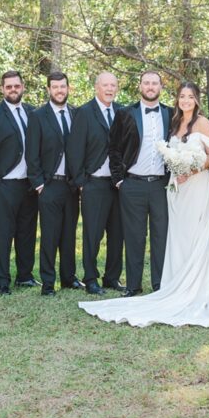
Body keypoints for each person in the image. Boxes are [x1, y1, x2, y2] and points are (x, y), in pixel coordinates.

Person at [79, 83, 209, 327]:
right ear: (177, 100)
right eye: (182, 96)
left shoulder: (203, 123)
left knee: (197, 236)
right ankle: (175, 284)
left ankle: (199, 288)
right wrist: (178, 171)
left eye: (190, 96)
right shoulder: (174, 122)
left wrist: (193, 169)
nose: (186, 100)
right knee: (177, 237)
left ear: (197, 100)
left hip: (197, 187)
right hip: (176, 190)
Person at [109, 71, 172, 297]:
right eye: (146, 82)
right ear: (140, 86)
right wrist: (119, 181)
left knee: (161, 236)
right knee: (134, 237)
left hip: (161, 186)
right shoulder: (125, 113)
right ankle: (133, 285)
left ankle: (159, 285)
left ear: (160, 87)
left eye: (154, 83)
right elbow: (114, 148)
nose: (150, 86)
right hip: (132, 185)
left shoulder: (170, 114)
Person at [0, 70, 39, 295]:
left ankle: (25, 276)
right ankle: (2, 279)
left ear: (23, 87)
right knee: (4, 233)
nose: (13, 90)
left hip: (28, 185)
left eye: (16, 86)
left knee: (27, 232)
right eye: (9, 87)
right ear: (2, 89)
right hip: (5, 185)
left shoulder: (33, 112)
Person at [66, 72, 124, 295]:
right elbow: (74, 149)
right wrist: (81, 182)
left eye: (113, 85)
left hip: (117, 184)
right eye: (105, 85)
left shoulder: (121, 111)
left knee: (117, 234)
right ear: (96, 87)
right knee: (93, 234)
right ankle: (90, 278)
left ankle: (112, 277)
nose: (109, 89)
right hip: (94, 184)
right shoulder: (84, 112)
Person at [27, 71, 83, 296]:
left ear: (68, 88)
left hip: (71, 186)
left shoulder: (76, 114)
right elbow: (31, 155)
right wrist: (39, 184)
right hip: (49, 185)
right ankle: (48, 283)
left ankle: (69, 279)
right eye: (55, 87)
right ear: (49, 90)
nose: (60, 90)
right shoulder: (38, 116)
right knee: (49, 236)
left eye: (63, 86)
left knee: (69, 235)